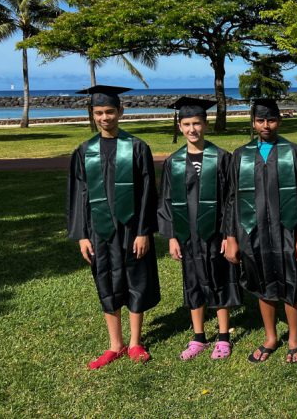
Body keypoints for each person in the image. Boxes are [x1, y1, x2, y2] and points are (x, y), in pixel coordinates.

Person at [67, 85, 160, 369]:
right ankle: (115, 345)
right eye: (99, 113)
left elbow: (147, 193)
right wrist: (82, 234)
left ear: (121, 111)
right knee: (105, 280)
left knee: (135, 280)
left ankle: (134, 342)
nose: (105, 117)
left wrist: (144, 230)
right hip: (99, 230)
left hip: (132, 228)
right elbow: (78, 195)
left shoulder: (137, 147)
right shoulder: (84, 151)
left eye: (110, 111)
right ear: (92, 115)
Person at [223, 98, 297, 364]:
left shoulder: (293, 151)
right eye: (260, 120)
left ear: (279, 120)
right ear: (253, 122)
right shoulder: (241, 155)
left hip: (288, 230)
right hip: (252, 232)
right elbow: (232, 198)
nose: (266, 125)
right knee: (262, 282)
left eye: (271, 120)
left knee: (293, 281)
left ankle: (294, 338)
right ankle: (270, 337)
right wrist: (230, 237)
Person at [158, 97, 242, 361]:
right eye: (186, 124)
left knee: (219, 279)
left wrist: (229, 235)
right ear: (180, 126)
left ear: (205, 124)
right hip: (187, 235)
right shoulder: (173, 162)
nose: (192, 129)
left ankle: (224, 336)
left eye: (196, 123)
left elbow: (232, 198)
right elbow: (167, 201)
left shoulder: (221, 158)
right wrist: (172, 236)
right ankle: (198, 337)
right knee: (192, 281)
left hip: (216, 233)